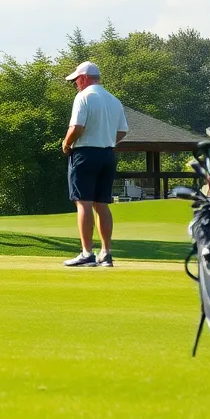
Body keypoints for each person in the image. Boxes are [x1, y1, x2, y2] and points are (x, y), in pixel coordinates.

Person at [59, 61, 128, 268]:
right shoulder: (114, 100)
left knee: (84, 203)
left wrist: (66, 143)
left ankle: (87, 253)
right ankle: (106, 253)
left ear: (85, 78)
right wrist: (106, 138)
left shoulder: (83, 97)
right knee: (102, 205)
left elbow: (77, 127)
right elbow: (123, 130)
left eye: (76, 80)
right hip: (107, 154)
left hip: (85, 154)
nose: (76, 85)